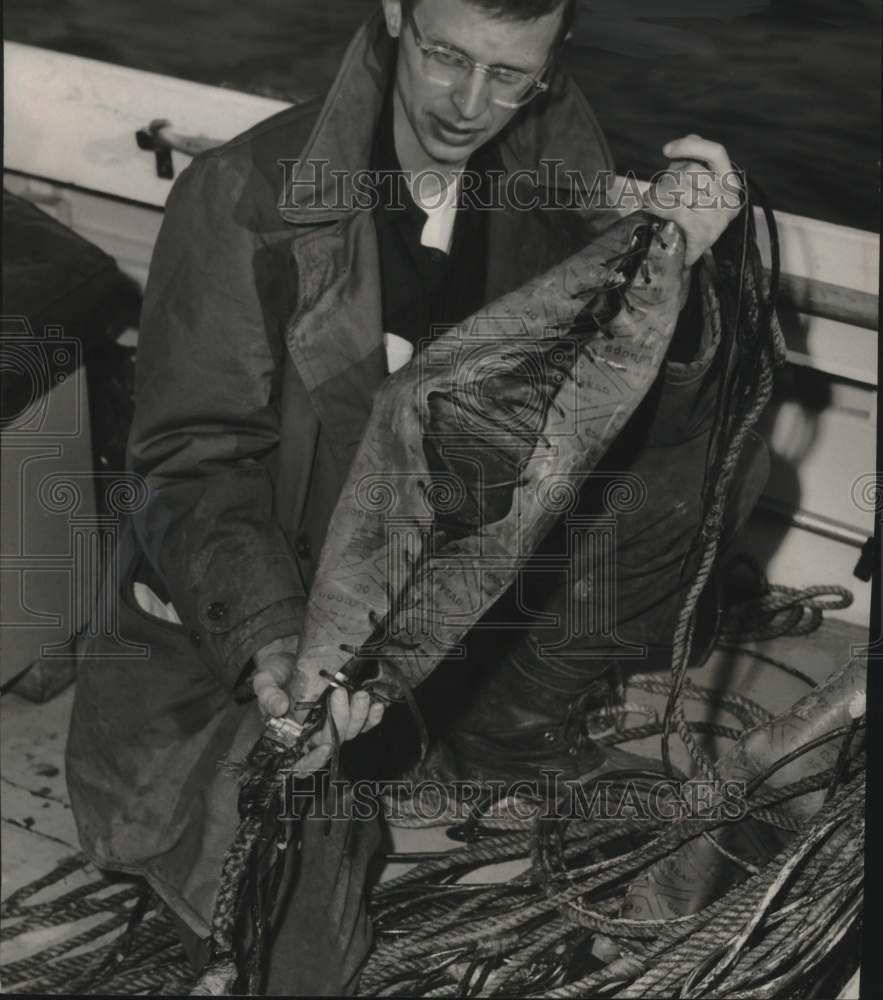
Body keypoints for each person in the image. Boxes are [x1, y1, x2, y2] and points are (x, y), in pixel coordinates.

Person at [66, 0, 761, 993]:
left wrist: (684, 262)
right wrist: (272, 644)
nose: (467, 103)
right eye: (443, 55)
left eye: (508, 75)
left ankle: (495, 737)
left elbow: (611, 425)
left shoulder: (556, 189)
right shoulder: (243, 196)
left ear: (553, 61)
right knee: (303, 957)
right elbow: (193, 461)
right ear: (394, 10)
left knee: (698, 465)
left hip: (445, 607)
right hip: (258, 637)